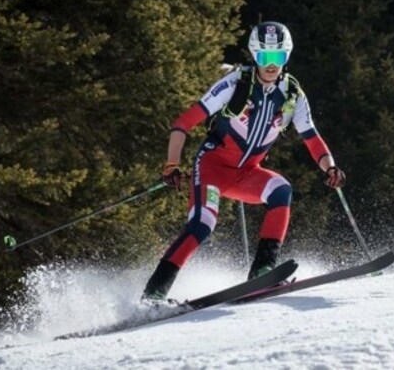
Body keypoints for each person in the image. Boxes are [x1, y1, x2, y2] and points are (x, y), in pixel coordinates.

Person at [142, 21, 346, 301]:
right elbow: (183, 123)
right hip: (212, 167)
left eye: (278, 57)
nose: (272, 65)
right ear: (255, 56)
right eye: (265, 57)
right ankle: (153, 293)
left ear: (286, 56)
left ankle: (263, 270)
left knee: (281, 190)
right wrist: (172, 164)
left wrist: (330, 167)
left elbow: (311, 138)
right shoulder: (236, 84)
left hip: (246, 173)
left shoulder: (292, 94)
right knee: (202, 225)